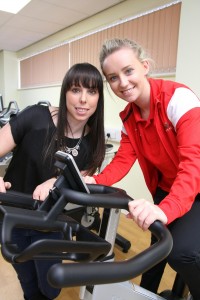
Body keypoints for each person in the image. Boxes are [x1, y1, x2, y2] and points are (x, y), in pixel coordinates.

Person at [84, 38, 200, 300]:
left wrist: (164, 210)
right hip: (167, 188)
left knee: (182, 252)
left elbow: (194, 163)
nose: (122, 83)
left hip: (196, 184)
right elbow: (124, 159)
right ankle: (148, 292)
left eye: (128, 71)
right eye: (113, 78)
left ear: (144, 66)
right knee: (158, 247)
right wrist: (97, 180)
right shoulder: (129, 118)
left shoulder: (178, 99)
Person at [0, 62, 105, 300]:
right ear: (65, 92)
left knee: (50, 287)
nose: (83, 100)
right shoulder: (36, 117)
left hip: (51, 223)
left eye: (91, 92)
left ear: (98, 98)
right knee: (27, 281)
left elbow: (79, 181)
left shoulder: (93, 143)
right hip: (13, 215)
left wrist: (55, 183)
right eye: (76, 90)